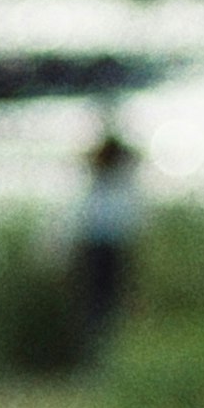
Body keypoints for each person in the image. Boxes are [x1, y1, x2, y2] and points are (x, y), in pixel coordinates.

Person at [71, 113, 146, 356]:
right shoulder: (112, 186)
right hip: (103, 248)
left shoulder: (108, 186)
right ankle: (103, 355)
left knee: (104, 305)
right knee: (103, 304)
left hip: (106, 248)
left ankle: (108, 355)